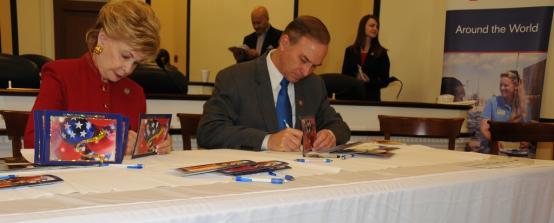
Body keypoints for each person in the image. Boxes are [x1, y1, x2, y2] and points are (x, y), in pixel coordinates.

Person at [23, 0, 171, 154]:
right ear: (102, 38)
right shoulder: (60, 75)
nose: (128, 69)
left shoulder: (135, 93)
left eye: (136, 63)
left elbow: (137, 152)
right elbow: (33, 140)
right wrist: (110, 143)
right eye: (125, 56)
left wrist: (154, 145)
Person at [197, 15, 351, 152]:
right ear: (284, 43)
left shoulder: (313, 85)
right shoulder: (235, 78)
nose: (306, 71)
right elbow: (209, 131)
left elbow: (340, 127)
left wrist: (330, 135)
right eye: (303, 60)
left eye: (314, 66)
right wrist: (267, 141)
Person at [341, 14, 390, 101]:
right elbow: (344, 76)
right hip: (352, 99)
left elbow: (385, 81)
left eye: (377, 26)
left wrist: (370, 80)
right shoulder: (350, 51)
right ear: (362, 27)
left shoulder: (381, 53)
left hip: (371, 100)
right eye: (372, 26)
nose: (375, 29)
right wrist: (356, 77)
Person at [480, 70, 529, 153]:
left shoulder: (523, 105)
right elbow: (484, 129)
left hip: (516, 151)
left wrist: (526, 141)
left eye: (506, 85)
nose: (502, 88)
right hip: (494, 149)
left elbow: (527, 130)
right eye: (501, 85)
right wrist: (495, 141)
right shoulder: (492, 102)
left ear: (515, 86)